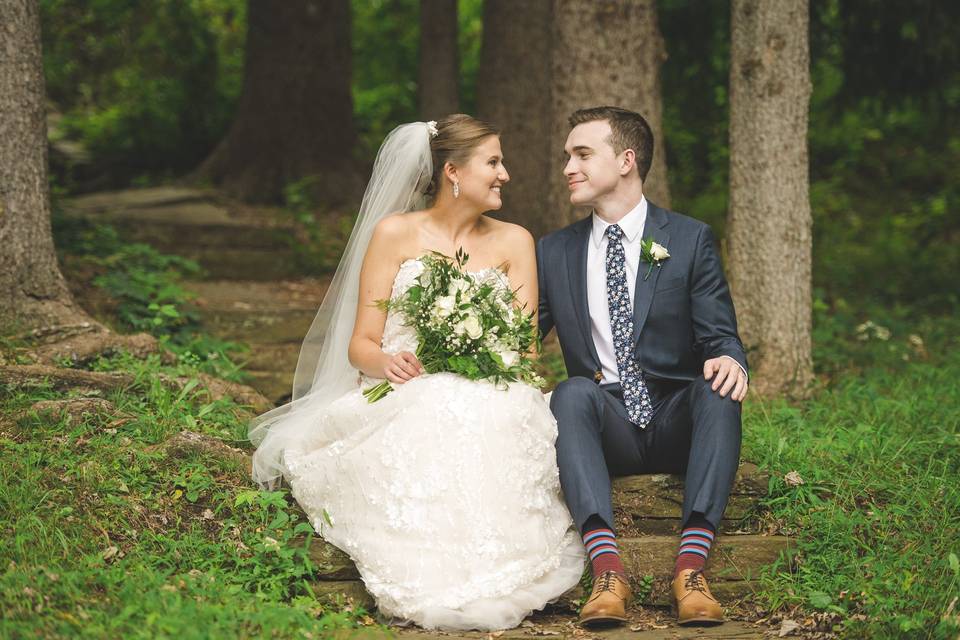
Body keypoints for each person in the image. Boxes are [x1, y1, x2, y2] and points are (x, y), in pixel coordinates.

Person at [249, 115, 583, 631]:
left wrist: (475, 359)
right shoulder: (394, 233)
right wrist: (386, 361)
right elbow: (361, 344)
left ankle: (495, 566)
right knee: (431, 407)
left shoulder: (516, 241)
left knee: (476, 409)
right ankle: (431, 569)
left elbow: (524, 351)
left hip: (493, 387)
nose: (505, 174)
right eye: (493, 162)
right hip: (403, 386)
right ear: (452, 171)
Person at [537, 106, 748, 627]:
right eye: (568, 156)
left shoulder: (689, 238)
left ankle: (691, 570)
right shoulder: (553, 251)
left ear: (626, 160)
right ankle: (607, 573)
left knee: (717, 388)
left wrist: (731, 358)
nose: (568, 166)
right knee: (569, 393)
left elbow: (719, 333)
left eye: (582, 154)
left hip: (674, 416)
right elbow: (516, 338)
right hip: (603, 422)